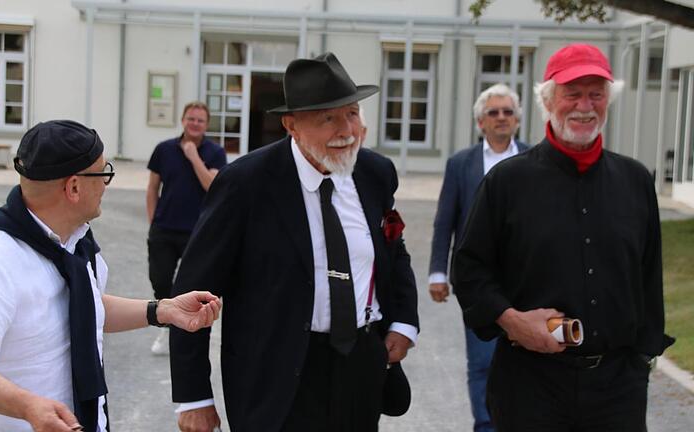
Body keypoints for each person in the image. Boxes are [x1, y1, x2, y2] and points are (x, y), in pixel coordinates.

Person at [169, 52, 419, 432]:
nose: (346, 129)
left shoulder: (374, 173)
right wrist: (194, 397)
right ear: (292, 126)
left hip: (360, 368)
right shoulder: (246, 184)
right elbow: (193, 291)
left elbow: (393, 251)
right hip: (276, 376)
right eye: (328, 118)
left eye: (352, 113)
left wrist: (403, 321)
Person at [0, 120, 222, 432]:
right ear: (74, 187)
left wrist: (162, 310)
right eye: (103, 173)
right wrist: (28, 407)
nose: (105, 185)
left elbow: (87, 307)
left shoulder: (76, 241)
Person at [452, 44, 673, 431]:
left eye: (596, 93)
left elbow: (649, 278)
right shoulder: (507, 182)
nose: (584, 106)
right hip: (531, 386)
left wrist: (642, 361)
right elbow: (469, 270)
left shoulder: (636, 181)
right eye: (572, 93)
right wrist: (511, 320)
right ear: (548, 101)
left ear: (608, 100)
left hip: (618, 390)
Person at [428, 83, 528, 432]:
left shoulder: (535, 158)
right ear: (480, 122)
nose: (502, 118)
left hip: (527, 277)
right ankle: (486, 426)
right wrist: (438, 271)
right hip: (478, 279)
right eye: (493, 112)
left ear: (517, 119)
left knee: (528, 359)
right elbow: (445, 220)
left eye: (508, 112)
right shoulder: (461, 164)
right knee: (482, 360)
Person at [146, 101, 226, 355]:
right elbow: (152, 187)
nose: (195, 124)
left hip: (198, 231)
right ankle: (168, 325)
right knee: (160, 279)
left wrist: (193, 157)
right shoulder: (164, 149)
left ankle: (184, 333)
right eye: (191, 119)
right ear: (183, 120)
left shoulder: (215, 152)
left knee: (192, 283)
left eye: (200, 120)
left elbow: (212, 186)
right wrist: (153, 220)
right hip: (165, 228)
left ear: (206, 124)